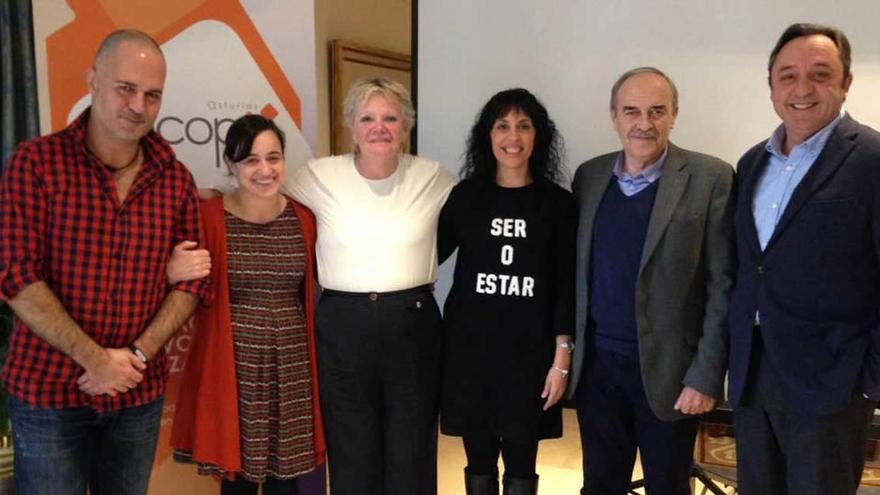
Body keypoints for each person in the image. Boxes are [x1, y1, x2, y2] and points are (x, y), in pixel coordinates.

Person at [0, 29, 209, 494]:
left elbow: (191, 285)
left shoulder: (175, 180)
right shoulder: (35, 164)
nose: (138, 105)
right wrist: (95, 360)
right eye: (126, 88)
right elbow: (16, 277)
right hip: (47, 393)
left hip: (138, 394)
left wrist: (134, 357)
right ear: (92, 80)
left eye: (152, 95)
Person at [283, 77, 455, 495]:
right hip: (342, 325)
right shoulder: (317, 175)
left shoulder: (433, 177)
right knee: (352, 446)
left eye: (390, 118)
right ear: (352, 128)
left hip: (412, 323)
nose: (380, 127)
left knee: (411, 447)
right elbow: (262, 201)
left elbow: (471, 224)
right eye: (368, 118)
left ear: (406, 126)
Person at [728, 23, 880, 494]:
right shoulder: (752, 163)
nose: (802, 89)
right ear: (771, 84)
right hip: (754, 372)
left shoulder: (872, 160)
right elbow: (751, 265)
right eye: (787, 75)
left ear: (846, 83)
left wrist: (869, 377)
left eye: (819, 74)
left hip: (831, 381)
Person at [568, 67, 735, 495]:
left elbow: (723, 285)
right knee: (600, 484)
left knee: (668, 487)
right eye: (631, 111)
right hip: (598, 370)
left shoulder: (710, 178)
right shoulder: (590, 176)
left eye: (657, 111)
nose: (644, 123)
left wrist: (705, 376)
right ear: (614, 116)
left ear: (675, 114)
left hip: (672, 374)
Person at [168, 115, 325, 494]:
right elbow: (178, 280)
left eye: (273, 158)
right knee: (236, 483)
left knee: (285, 483)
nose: (265, 170)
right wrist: (171, 272)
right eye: (251, 160)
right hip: (232, 368)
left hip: (292, 371)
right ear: (231, 164)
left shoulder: (304, 219)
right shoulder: (208, 218)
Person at [438, 88, 575, 495]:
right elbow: (426, 255)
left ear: (538, 136)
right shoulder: (465, 197)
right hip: (470, 354)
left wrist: (561, 361)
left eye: (523, 125)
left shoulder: (559, 205)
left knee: (521, 461)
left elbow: (566, 285)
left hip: (530, 359)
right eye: (502, 126)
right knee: (477, 459)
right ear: (488, 135)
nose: (512, 136)